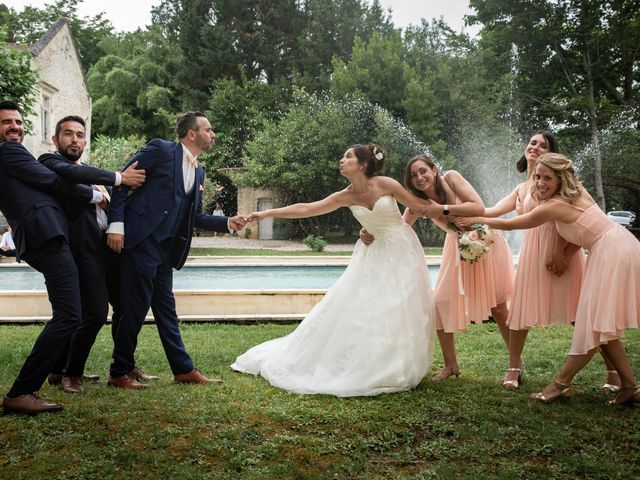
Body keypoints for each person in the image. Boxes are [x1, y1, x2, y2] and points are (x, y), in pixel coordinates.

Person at [231, 144, 436, 397]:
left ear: (363, 164)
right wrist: (266, 214)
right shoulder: (345, 195)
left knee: (401, 305)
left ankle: (401, 363)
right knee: (369, 307)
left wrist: (455, 212)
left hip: (403, 250)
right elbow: (307, 208)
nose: (341, 160)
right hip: (373, 254)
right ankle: (374, 364)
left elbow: (419, 206)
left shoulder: (386, 184)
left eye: (348, 156)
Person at [458, 153, 640, 405]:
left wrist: (478, 220)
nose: (541, 183)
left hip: (611, 252)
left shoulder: (557, 204)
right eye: (537, 177)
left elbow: (517, 224)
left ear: (560, 178)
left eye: (547, 178)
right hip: (617, 245)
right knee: (600, 323)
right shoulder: (572, 194)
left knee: (592, 323)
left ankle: (559, 384)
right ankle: (630, 386)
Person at [106, 111, 247, 389]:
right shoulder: (160, 149)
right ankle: (119, 372)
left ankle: (183, 370)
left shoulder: (198, 170)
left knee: (167, 311)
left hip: (164, 251)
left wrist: (228, 223)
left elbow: (195, 216)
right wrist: (117, 225)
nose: (213, 134)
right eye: (208, 129)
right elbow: (121, 181)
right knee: (134, 309)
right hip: (139, 241)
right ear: (191, 134)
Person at [361, 154, 515, 381]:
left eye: (423, 171)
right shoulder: (417, 204)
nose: (419, 177)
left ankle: (515, 364)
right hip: (456, 249)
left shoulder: (451, 178)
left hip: (485, 241)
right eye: (413, 175)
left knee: (499, 308)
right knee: (440, 304)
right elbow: (399, 227)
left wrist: (440, 209)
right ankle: (451, 365)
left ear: (434, 170)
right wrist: (371, 230)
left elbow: (478, 206)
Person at [0, 101, 97, 415]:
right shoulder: (9, 152)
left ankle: (56, 370)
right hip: (46, 236)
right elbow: (53, 181)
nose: (14, 126)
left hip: (47, 236)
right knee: (70, 314)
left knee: (73, 312)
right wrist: (99, 191)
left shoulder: (14, 156)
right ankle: (22, 391)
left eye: (17, 121)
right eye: (6, 122)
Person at [39, 115, 147, 393]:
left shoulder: (88, 170)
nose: (74, 139)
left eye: (79, 135)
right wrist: (117, 180)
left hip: (108, 249)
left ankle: (123, 365)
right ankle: (70, 374)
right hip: (82, 251)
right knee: (95, 313)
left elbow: (110, 198)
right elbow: (75, 182)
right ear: (55, 139)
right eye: (68, 134)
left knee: (125, 306)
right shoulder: (50, 164)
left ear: (86, 140)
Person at [481, 131, 590, 389]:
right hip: (533, 252)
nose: (536, 147)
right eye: (532, 143)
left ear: (552, 153)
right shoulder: (522, 188)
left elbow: (583, 219)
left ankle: (613, 372)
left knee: (582, 313)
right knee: (520, 311)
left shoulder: (564, 181)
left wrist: (565, 253)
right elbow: (491, 211)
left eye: (543, 145)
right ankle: (514, 366)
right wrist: (457, 211)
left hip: (562, 250)